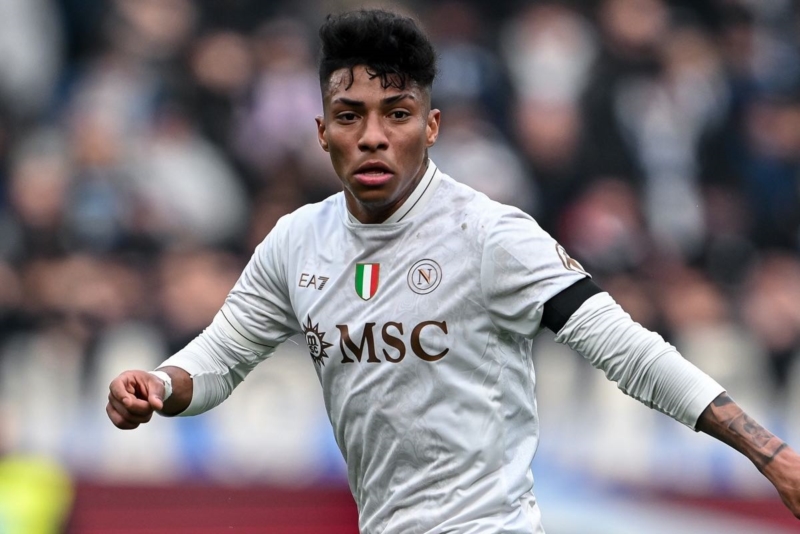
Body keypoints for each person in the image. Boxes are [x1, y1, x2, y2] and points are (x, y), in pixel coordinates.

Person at [107, 9, 800, 533]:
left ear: (431, 127)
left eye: (397, 114)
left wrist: (770, 454)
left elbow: (631, 352)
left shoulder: (490, 236)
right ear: (322, 132)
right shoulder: (297, 242)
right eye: (349, 116)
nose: (373, 137)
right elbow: (221, 359)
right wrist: (159, 383)